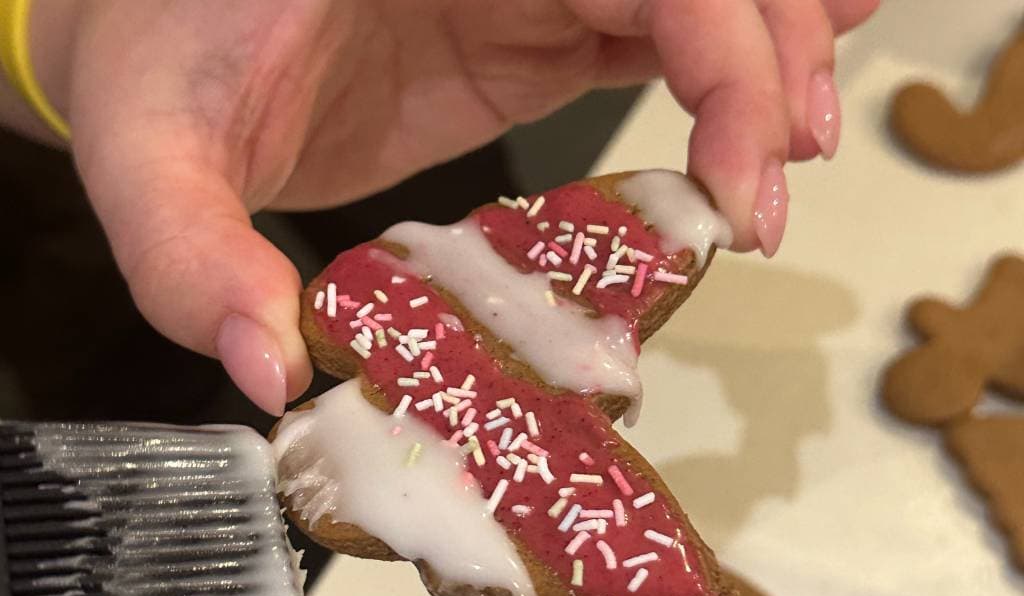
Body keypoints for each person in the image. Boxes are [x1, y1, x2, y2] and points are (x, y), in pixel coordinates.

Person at [0, 0, 878, 416]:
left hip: (387, 49)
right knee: (141, 378)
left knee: (454, 256)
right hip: (50, 178)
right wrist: (60, 32)